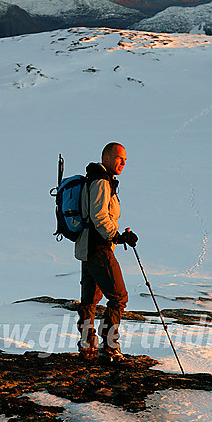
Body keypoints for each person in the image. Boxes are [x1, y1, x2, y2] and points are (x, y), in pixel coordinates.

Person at [75, 142, 138, 360]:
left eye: (126, 160)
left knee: (90, 299)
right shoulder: (101, 182)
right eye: (120, 158)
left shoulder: (95, 179)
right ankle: (110, 346)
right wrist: (117, 237)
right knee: (119, 297)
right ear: (107, 158)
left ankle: (87, 345)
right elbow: (99, 216)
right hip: (99, 248)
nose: (123, 163)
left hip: (87, 247)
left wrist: (117, 236)